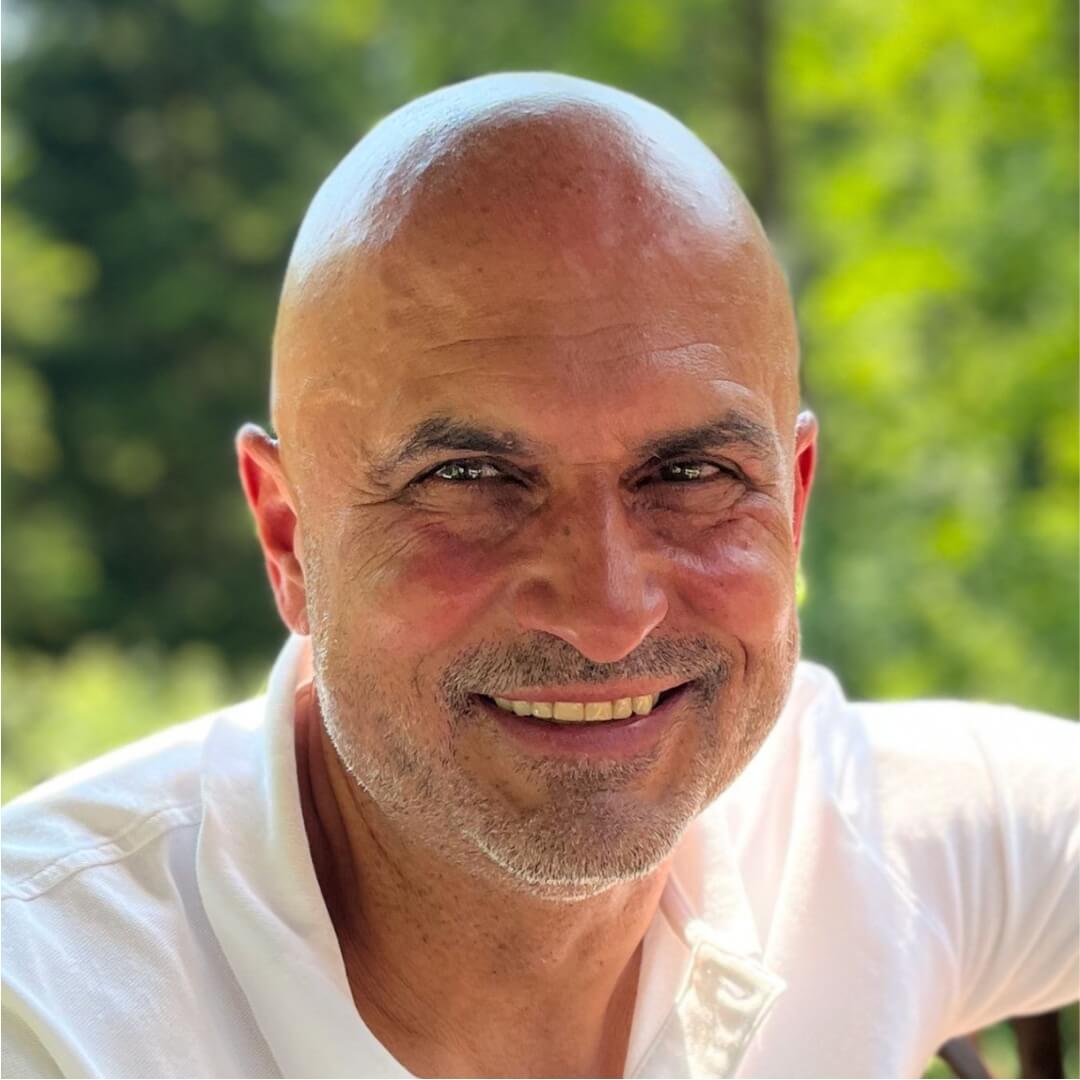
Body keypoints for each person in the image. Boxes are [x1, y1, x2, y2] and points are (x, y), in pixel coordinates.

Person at [2, 72, 1076, 1080]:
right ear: (288, 535)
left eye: (691, 475)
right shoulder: (53, 1010)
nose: (609, 612)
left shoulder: (858, 837)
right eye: (469, 479)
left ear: (792, 507)